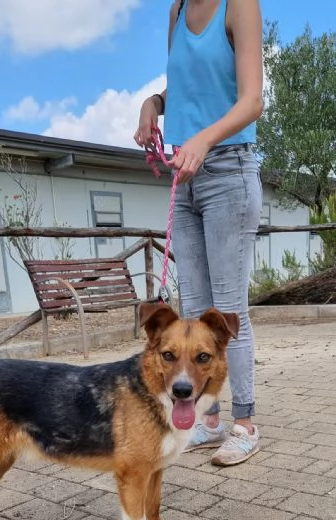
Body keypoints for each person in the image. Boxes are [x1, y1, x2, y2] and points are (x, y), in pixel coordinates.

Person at [134, 0, 264, 466]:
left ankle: (245, 423)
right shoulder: (176, 11)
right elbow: (188, 86)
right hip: (183, 175)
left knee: (228, 312)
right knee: (193, 313)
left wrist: (204, 139)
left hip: (229, 169)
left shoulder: (239, 5)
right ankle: (207, 417)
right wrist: (155, 103)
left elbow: (252, 100)